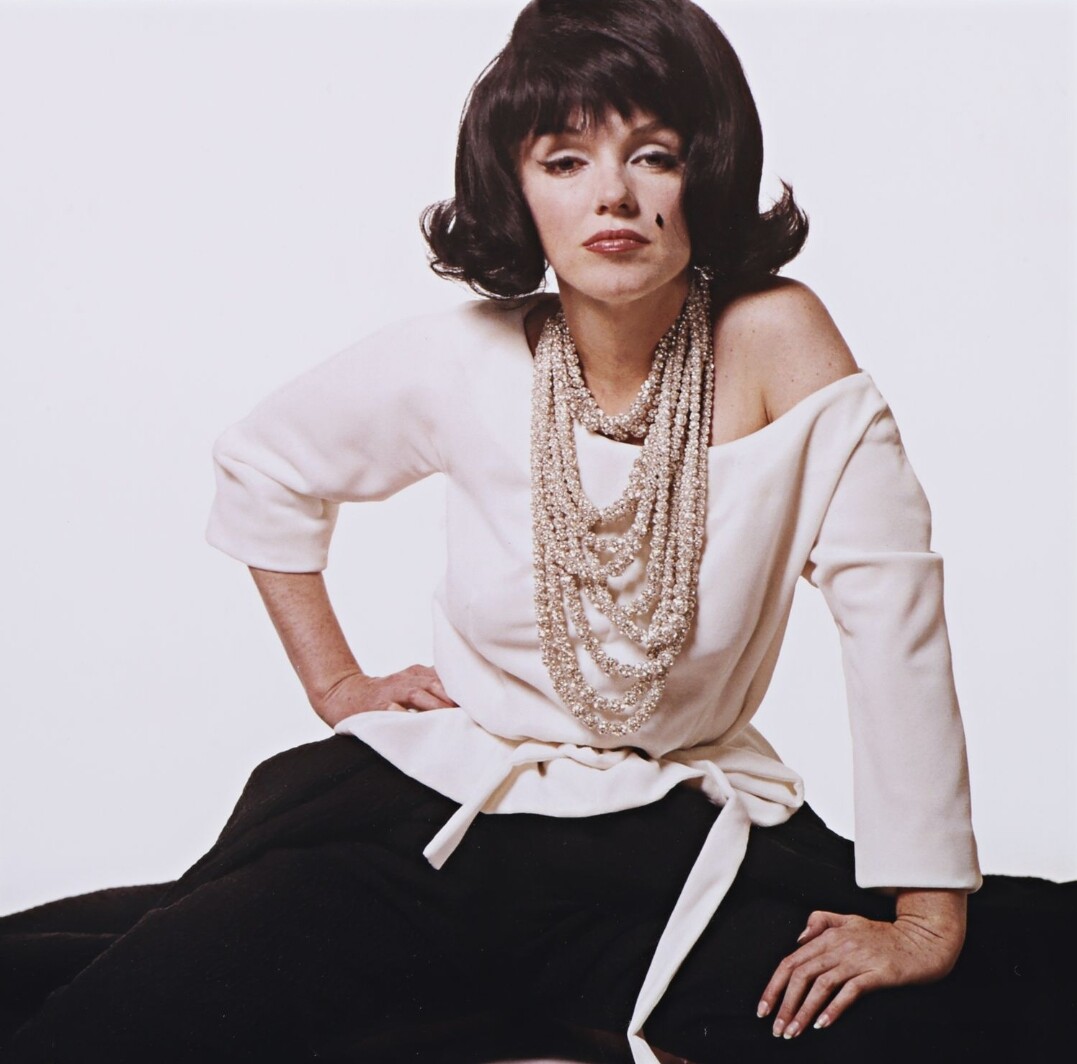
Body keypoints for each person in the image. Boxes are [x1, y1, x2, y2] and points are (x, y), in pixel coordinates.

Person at [1, 1, 1072, 1062]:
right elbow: (266, 465)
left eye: (652, 155)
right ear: (517, 188)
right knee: (96, 1025)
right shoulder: (461, 357)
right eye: (565, 160)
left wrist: (926, 913)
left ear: (705, 169)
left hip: (666, 843)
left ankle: (514, 1008)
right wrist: (338, 683)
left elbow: (891, 614)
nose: (613, 195)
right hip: (436, 825)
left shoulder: (776, 338)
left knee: (961, 1016)